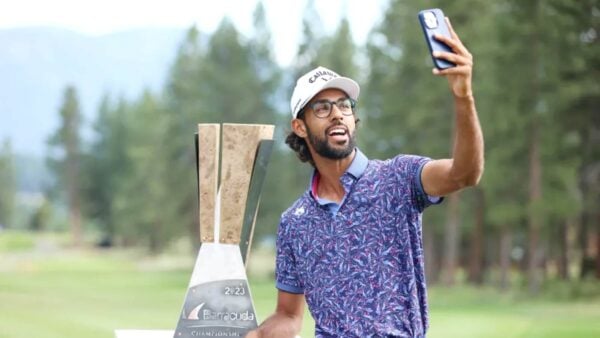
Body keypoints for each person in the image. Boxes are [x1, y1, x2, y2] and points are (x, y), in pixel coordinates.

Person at [246, 18, 483, 338]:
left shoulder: (398, 180)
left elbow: (464, 173)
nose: (337, 113)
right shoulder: (294, 223)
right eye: (322, 108)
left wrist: (463, 96)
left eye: (344, 105)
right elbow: (288, 316)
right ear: (299, 127)